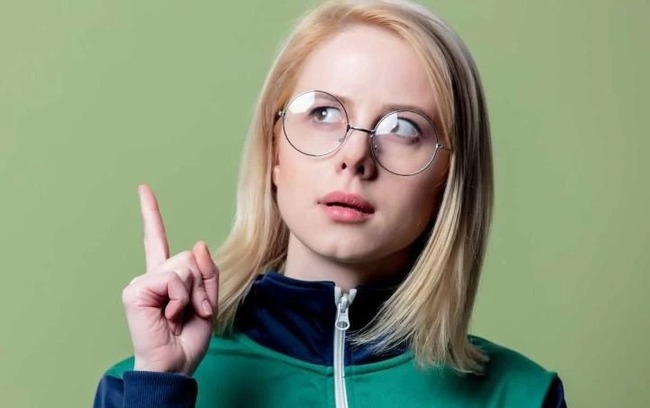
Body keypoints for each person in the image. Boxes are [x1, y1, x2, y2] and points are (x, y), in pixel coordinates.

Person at [94, 0, 567, 407]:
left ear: (448, 178)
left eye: (403, 127)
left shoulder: (523, 396)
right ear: (273, 150)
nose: (355, 155)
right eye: (322, 113)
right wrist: (160, 387)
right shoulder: (137, 386)